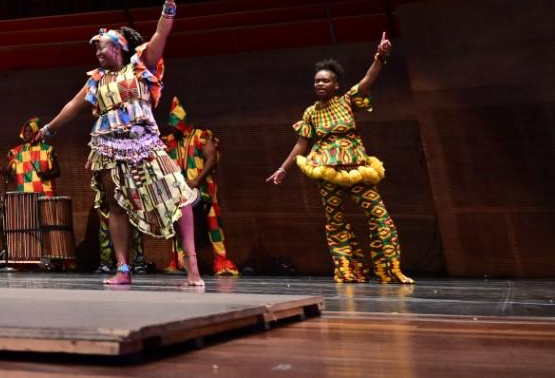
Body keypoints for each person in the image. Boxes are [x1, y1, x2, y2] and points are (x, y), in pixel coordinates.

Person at [38, 0, 202, 287]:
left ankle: (192, 264)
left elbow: (161, 33)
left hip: (146, 143)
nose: (97, 52)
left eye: (101, 46)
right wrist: (49, 128)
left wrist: (170, 1)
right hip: (107, 147)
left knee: (179, 197)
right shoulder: (95, 80)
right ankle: (123, 269)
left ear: (119, 47)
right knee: (116, 206)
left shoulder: (140, 67)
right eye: (95, 49)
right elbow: (72, 106)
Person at [267, 34, 412, 284]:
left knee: (379, 216)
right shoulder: (311, 113)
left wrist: (380, 56)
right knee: (336, 222)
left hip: (356, 169)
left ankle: (388, 269)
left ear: (336, 85)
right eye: (317, 81)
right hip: (326, 171)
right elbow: (301, 144)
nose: (320, 84)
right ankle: (349, 270)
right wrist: (283, 169)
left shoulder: (347, 102)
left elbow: (367, 81)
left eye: (325, 81)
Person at [162, 97, 239, 277]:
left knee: (214, 226)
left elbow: (211, 159)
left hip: (205, 190)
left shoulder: (201, 136)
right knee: (177, 227)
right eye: (172, 124)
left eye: (177, 124)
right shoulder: (169, 141)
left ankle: (222, 262)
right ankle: (180, 262)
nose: (173, 127)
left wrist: (197, 179)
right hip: (179, 193)